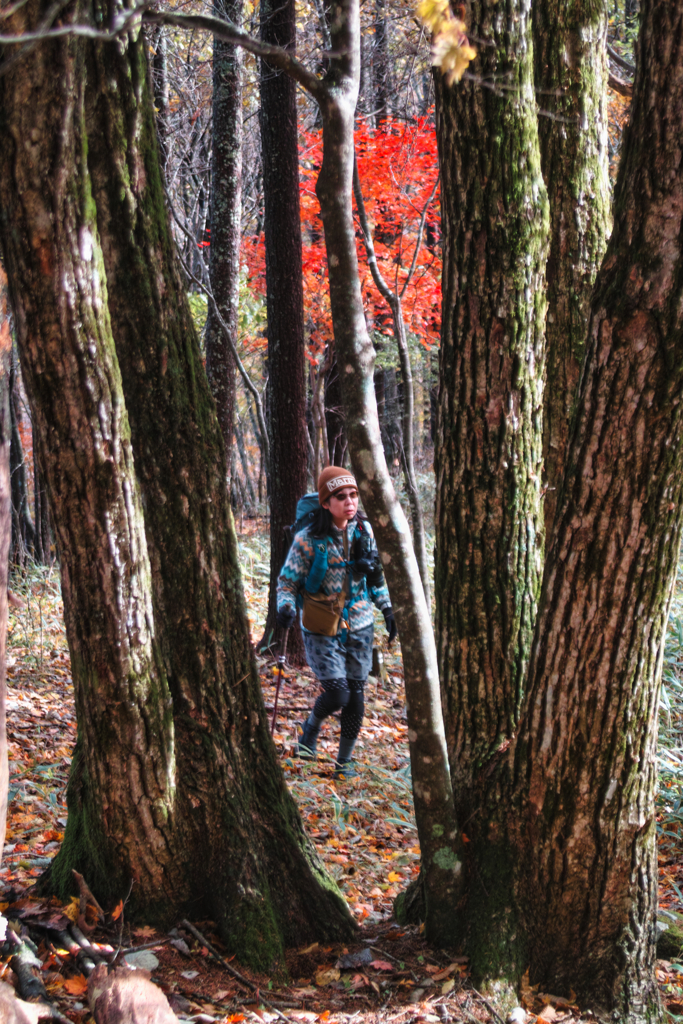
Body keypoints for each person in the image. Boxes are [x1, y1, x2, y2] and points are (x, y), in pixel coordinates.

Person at [276, 466, 397, 778]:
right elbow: (287, 584)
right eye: (340, 496)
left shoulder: (364, 533)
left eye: (353, 495)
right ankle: (310, 730)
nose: (349, 501)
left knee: (356, 697)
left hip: (359, 625)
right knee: (338, 693)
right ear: (326, 503)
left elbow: (376, 580)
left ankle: (344, 763)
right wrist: (286, 607)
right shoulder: (307, 540)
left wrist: (387, 610)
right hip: (320, 627)